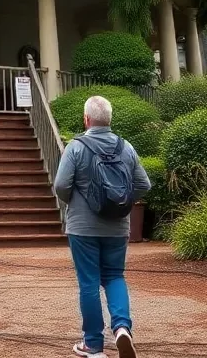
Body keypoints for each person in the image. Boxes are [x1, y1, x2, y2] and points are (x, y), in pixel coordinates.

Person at [54, 94, 150, 358]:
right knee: (115, 276)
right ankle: (122, 329)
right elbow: (144, 184)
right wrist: (122, 202)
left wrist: (76, 202)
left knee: (89, 283)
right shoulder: (126, 147)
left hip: (82, 227)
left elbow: (61, 185)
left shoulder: (75, 146)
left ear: (86, 119)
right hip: (118, 227)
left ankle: (93, 344)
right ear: (109, 119)